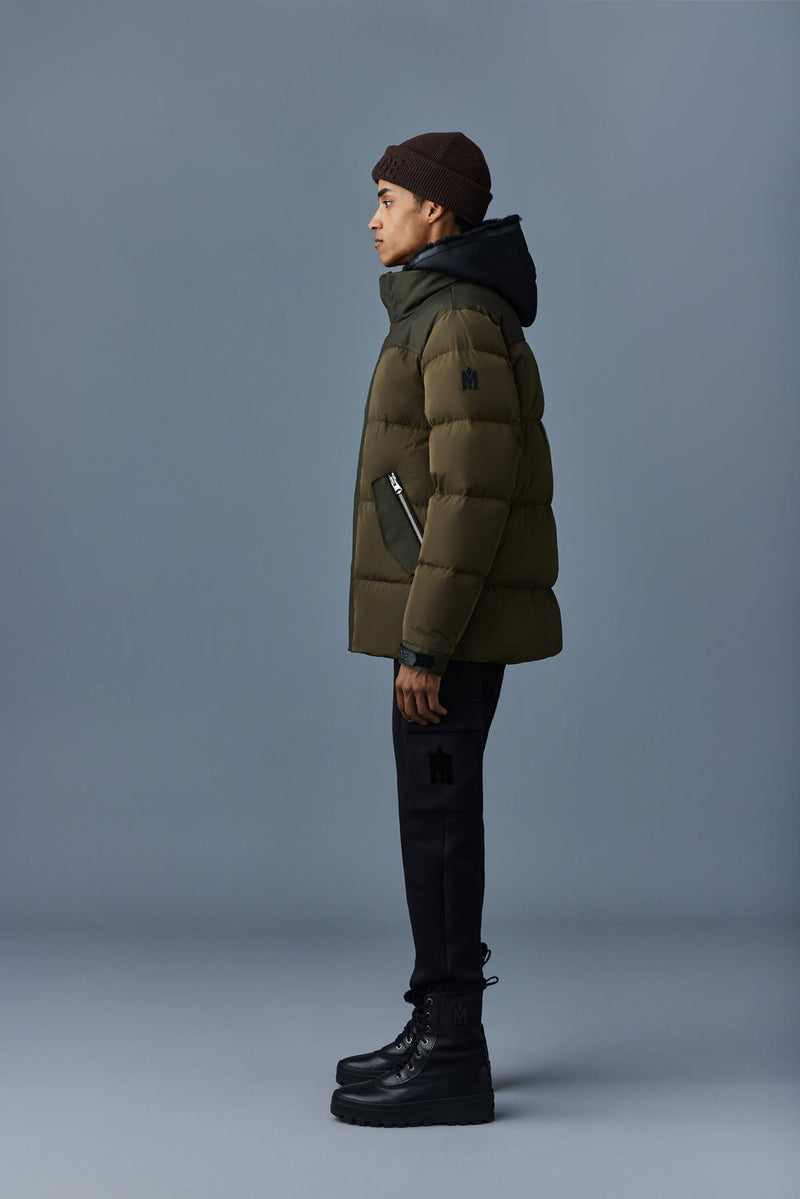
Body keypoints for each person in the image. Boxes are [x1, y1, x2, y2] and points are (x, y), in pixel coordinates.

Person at [330, 132, 562, 1127]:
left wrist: (424, 643)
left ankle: (453, 1051)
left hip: (449, 630)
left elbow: (470, 494)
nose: (373, 217)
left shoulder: (458, 319)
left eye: (387, 198)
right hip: (443, 617)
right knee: (433, 816)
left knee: (438, 819)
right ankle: (435, 1023)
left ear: (437, 210)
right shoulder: (437, 309)